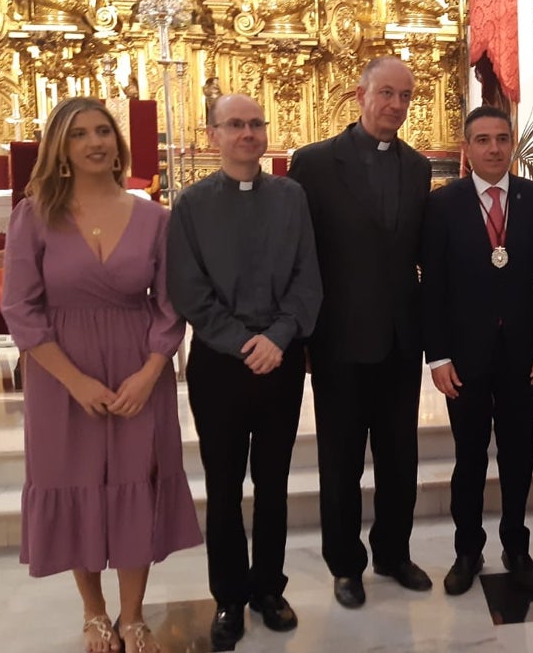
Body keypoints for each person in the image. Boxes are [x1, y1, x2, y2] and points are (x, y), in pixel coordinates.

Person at [1, 97, 201, 653]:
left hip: (139, 369)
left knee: (137, 481)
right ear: (59, 148)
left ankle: (133, 614)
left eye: (103, 132)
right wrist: (75, 381)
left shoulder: (156, 219)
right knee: (72, 482)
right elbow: (21, 308)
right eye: (80, 134)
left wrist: (151, 371)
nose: (96, 142)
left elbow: (170, 305)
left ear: (118, 142)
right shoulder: (34, 214)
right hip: (61, 375)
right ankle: (94, 611)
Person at [167, 95, 322, 650]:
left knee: (275, 482)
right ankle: (229, 596)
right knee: (225, 485)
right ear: (213, 136)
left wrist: (279, 337)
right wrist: (242, 341)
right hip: (220, 364)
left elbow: (308, 277)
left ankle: (269, 589)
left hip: (279, 362)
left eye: (256, 124)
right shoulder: (190, 205)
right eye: (235, 125)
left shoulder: (291, 197)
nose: (248, 134)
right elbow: (188, 290)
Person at [288, 56, 433, 608]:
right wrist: (302, 335)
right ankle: (345, 564)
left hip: (399, 338)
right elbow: (300, 255)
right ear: (361, 94)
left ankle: (394, 553)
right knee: (342, 459)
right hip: (339, 339)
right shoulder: (315, 163)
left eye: (405, 96)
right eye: (386, 93)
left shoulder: (419, 168)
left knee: (401, 455)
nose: (396, 105)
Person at [420, 105, 533, 595]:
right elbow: (432, 288)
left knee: (519, 453)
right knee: (470, 457)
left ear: (512, 144)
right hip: (464, 357)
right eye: (482, 140)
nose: (493, 148)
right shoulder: (444, 205)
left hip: (523, 355)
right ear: (467, 148)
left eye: (502, 138)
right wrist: (438, 356)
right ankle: (467, 549)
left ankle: (516, 546)